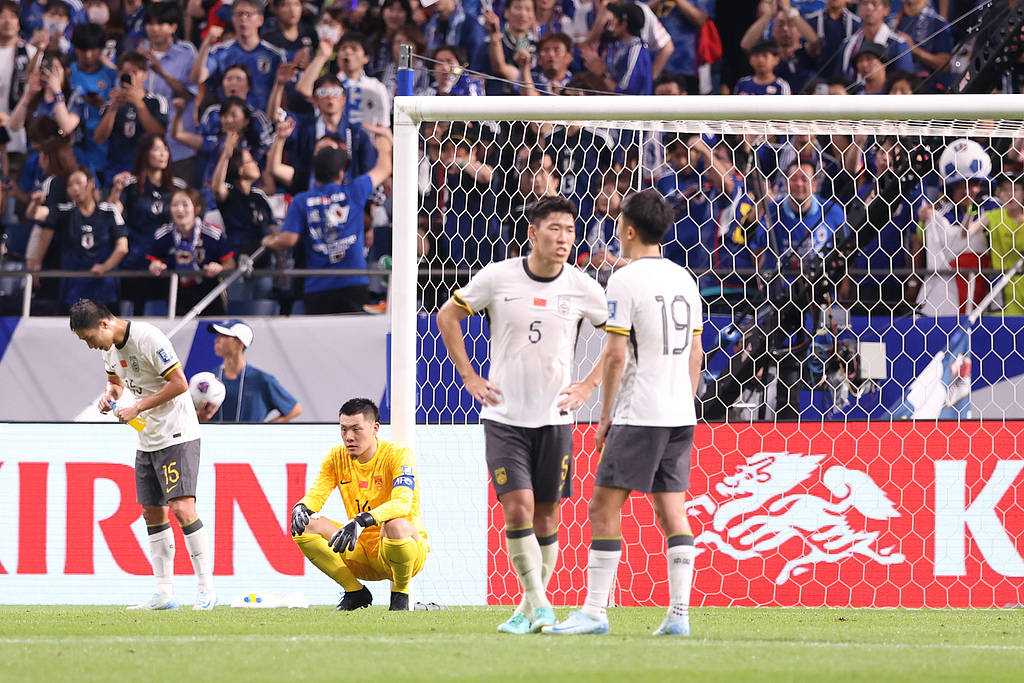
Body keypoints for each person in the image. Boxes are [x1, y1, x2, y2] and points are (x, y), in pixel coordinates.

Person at [436, 195, 609, 635]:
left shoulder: (582, 286)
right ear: (533, 232)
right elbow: (447, 316)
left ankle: (527, 609)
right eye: (555, 229)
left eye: (570, 230)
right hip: (504, 417)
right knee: (518, 510)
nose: (564, 238)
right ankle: (541, 604)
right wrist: (469, 375)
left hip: (555, 418)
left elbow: (619, 338)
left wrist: (589, 385)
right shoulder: (498, 277)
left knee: (547, 517)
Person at [544, 188, 702, 637]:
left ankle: (594, 611)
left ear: (629, 230)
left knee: (602, 507)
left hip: (640, 412)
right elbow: (696, 353)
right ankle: (679, 616)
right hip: (679, 413)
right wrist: (684, 401)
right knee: (672, 511)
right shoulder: (684, 279)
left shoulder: (625, 280)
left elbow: (615, 354)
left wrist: (605, 416)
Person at [69, 299, 214, 610]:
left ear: (104, 324)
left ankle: (206, 589)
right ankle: (164, 593)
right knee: (152, 512)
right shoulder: (109, 349)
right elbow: (115, 382)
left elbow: (179, 383)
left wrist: (137, 407)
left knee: (182, 508)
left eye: (89, 338)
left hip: (177, 433)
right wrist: (110, 396)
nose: (90, 346)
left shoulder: (149, 338)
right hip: (147, 438)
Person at [290, 398, 427, 611]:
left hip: (402, 552)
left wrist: (362, 520)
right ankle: (355, 592)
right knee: (304, 525)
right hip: (360, 551)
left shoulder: (398, 455)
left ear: (375, 428)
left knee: (396, 525)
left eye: (356, 429)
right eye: (344, 429)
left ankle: (400, 594)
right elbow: (317, 494)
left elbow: (402, 503)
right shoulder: (336, 458)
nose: (349, 437)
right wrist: (301, 507)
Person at [262, 130, 393, 314]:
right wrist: (384, 145)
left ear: (315, 174)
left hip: (317, 287)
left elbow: (288, 240)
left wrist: (269, 241)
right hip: (353, 282)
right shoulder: (354, 191)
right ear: (341, 173)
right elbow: (384, 168)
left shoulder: (301, 200)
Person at [34, 167, 128, 310]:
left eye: (78, 183)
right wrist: (35, 203)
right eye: (70, 185)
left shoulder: (110, 211)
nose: (75, 188)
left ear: (91, 183)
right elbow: (35, 215)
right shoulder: (64, 212)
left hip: (105, 288)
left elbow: (122, 247)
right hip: (73, 289)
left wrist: (105, 267)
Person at [147, 187, 235, 317]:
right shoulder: (162, 234)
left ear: (197, 208)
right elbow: (153, 262)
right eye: (175, 205)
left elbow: (230, 264)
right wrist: (155, 266)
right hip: (176, 293)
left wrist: (220, 268)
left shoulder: (213, 234)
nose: (179, 209)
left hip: (208, 293)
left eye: (185, 205)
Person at [200, 319, 302, 422]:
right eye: (218, 335)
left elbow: (295, 409)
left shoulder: (261, 380)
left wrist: (266, 428)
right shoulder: (209, 378)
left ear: (240, 343)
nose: (217, 340)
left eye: (224, 336)